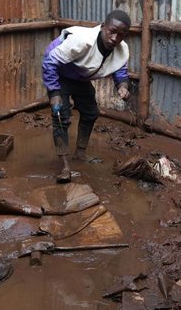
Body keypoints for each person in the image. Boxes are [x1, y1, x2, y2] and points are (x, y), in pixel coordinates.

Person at [42, 10, 132, 183]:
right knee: (61, 115)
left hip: (80, 77)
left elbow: (120, 70)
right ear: (103, 27)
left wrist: (122, 86)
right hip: (59, 72)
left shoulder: (120, 49)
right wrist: (54, 92)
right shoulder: (82, 41)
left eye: (120, 35)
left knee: (91, 112)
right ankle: (65, 166)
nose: (114, 38)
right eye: (111, 31)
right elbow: (50, 61)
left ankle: (80, 153)